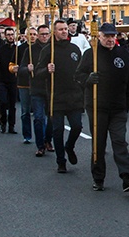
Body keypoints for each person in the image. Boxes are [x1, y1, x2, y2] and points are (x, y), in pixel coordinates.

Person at [74, 22, 129, 193]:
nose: (110, 39)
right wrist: (88, 79)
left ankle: (126, 177)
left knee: (120, 141)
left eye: (113, 36)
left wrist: (127, 100)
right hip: (97, 107)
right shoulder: (91, 54)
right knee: (99, 144)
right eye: (107, 36)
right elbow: (78, 75)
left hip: (118, 107)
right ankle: (98, 178)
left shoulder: (122, 53)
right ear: (99, 37)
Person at [35, 19, 83, 172]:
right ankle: (60, 161)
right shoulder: (48, 50)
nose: (64, 31)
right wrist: (46, 70)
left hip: (74, 95)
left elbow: (81, 70)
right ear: (54, 32)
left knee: (77, 126)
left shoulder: (74, 49)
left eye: (65, 29)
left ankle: (70, 146)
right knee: (58, 130)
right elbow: (37, 72)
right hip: (56, 95)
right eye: (61, 29)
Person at [28, 24, 55, 157]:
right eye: (42, 34)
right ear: (37, 35)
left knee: (51, 118)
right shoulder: (30, 49)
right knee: (39, 118)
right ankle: (40, 145)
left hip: (51, 88)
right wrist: (28, 68)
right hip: (37, 87)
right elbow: (21, 68)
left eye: (46, 34)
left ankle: (48, 140)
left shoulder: (54, 48)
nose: (44, 36)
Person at [16, 27, 39, 144]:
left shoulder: (41, 48)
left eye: (35, 34)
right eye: (30, 34)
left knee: (38, 113)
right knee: (25, 111)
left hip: (38, 83)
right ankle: (27, 135)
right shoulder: (20, 49)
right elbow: (15, 66)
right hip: (24, 83)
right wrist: (24, 69)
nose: (33, 36)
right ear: (25, 36)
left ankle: (41, 136)